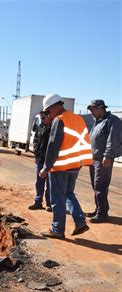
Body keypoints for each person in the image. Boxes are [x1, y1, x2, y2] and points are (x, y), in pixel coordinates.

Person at [39, 93, 92, 238]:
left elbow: (53, 146)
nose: (48, 114)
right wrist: (82, 161)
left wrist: (46, 167)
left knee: (57, 198)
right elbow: (84, 141)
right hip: (75, 165)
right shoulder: (78, 119)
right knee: (68, 194)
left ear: (55, 106)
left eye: (48, 111)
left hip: (60, 167)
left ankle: (57, 229)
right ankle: (80, 222)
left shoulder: (59, 120)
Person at [86, 99, 121, 223]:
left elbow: (113, 140)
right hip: (94, 159)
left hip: (103, 160)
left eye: (93, 110)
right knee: (95, 186)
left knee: (100, 185)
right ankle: (100, 209)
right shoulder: (97, 122)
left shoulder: (112, 121)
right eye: (90, 110)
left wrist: (108, 156)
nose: (91, 112)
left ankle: (102, 213)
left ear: (101, 108)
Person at [28, 111, 52, 211]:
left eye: (43, 118)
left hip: (50, 159)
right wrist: (35, 150)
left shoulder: (54, 127)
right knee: (39, 182)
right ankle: (38, 202)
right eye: (41, 118)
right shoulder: (40, 127)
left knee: (50, 183)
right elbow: (36, 140)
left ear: (49, 116)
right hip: (40, 159)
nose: (42, 120)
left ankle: (49, 204)